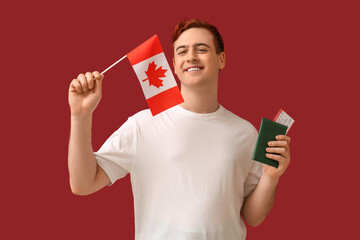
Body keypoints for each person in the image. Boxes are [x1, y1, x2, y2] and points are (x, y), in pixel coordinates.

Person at [68, 19, 291, 240]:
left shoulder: (245, 133)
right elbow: (83, 183)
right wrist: (80, 115)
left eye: (201, 49)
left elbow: (252, 217)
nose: (191, 56)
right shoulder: (142, 125)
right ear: (174, 65)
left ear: (221, 59)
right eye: (182, 51)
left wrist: (271, 177)